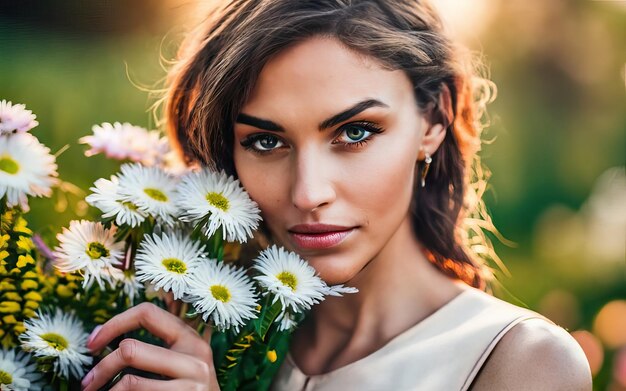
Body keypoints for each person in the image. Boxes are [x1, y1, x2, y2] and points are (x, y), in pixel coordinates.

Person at [80, 1, 593, 390]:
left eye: (354, 132)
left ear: (433, 120)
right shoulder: (197, 331)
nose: (308, 193)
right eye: (266, 141)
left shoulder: (520, 362)